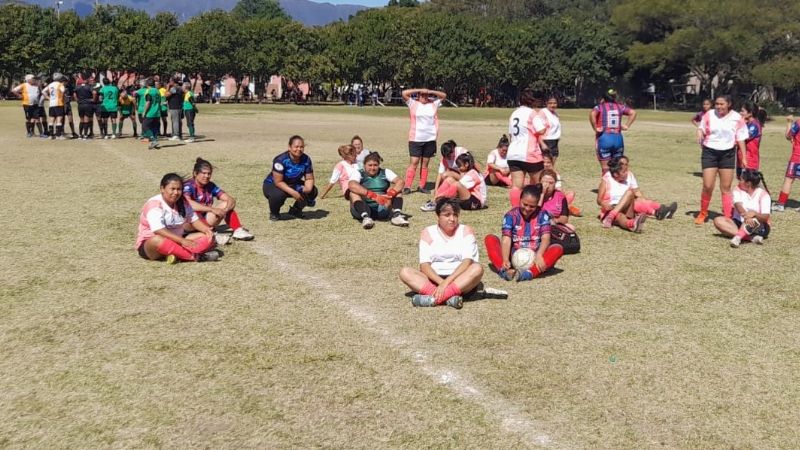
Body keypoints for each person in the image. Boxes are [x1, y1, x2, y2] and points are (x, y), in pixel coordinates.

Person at [399, 198, 483, 309]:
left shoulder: (466, 231)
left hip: (460, 280)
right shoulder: (427, 232)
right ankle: (449, 298)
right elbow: (424, 266)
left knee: (477, 268)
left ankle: (434, 299)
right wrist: (440, 282)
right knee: (405, 272)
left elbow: (467, 262)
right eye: (447, 215)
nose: (452, 219)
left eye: (455, 215)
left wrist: (446, 283)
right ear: (437, 216)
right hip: (434, 279)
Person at [484, 184, 564, 281]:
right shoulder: (510, 216)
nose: (527, 209)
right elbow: (506, 239)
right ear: (520, 199)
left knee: (558, 248)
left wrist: (539, 255)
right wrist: (505, 259)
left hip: (536, 255)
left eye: (532, 206)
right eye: (525, 204)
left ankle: (530, 273)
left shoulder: (543, 214)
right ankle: (504, 270)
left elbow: (546, 238)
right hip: (514, 253)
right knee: (490, 239)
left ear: (537, 203)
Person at [136, 173, 219, 263]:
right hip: (152, 245)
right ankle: (196, 257)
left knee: (207, 236)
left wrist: (207, 230)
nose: (176, 193)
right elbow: (158, 230)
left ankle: (177, 254)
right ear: (162, 189)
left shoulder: (183, 202)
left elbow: (194, 220)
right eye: (172, 189)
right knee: (157, 240)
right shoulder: (154, 204)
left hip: (178, 241)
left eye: (179, 189)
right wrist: (182, 241)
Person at [694, 95, 748, 224]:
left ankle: (728, 216)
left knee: (726, 187)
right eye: (717, 104)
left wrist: (744, 157)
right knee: (707, 185)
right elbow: (701, 127)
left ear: (729, 104)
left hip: (728, 153)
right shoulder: (709, 114)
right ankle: (703, 213)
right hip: (709, 152)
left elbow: (740, 138)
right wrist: (700, 132)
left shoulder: (736, 118)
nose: (718, 107)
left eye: (721, 104)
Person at [183, 157, 254, 242]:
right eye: (204, 173)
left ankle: (237, 230)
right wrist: (212, 209)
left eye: (209, 173)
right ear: (195, 173)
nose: (207, 176)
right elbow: (188, 204)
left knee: (226, 204)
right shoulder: (188, 186)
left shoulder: (210, 185)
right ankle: (211, 235)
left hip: (205, 219)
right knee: (193, 213)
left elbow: (230, 199)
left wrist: (225, 210)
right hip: (187, 223)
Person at [401, 87, 447, 195]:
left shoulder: (433, 104)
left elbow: (443, 95)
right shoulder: (413, 103)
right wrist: (419, 89)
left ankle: (422, 186)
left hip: (430, 138)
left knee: (425, 163)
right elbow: (404, 93)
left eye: (426, 95)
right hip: (416, 138)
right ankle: (408, 186)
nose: (424, 97)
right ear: (418, 95)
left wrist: (430, 91)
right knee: (414, 162)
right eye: (422, 95)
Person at [346, 152, 409, 228]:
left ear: (379, 165)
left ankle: (397, 216)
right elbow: (352, 185)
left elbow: (401, 182)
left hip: (382, 208)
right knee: (353, 193)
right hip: (363, 209)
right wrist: (374, 196)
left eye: (375, 165)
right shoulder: (358, 173)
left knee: (397, 192)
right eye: (370, 165)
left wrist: (390, 194)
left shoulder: (385, 172)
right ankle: (366, 218)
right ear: (364, 165)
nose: (372, 168)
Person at [262, 135, 317, 221]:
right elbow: (278, 182)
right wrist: (294, 193)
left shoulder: (306, 159)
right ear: (289, 147)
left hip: (292, 183)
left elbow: (309, 178)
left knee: (313, 190)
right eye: (296, 147)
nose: (299, 149)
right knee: (279, 195)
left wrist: (308, 190)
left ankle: (295, 211)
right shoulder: (280, 160)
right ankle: (274, 213)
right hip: (273, 184)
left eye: (301, 147)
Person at [713, 170, 771, 247]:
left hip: (758, 225)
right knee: (718, 220)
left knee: (753, 219)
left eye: (741, 179)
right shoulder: (737, 189)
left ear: (748, 183)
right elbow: (738, 205)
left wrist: (754, 214)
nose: (739, 181)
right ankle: (750, 238)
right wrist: (746, 216)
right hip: (739, 221)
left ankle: (738, 238)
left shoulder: (763, 195)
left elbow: (765, 217)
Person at [507, 88, 544, 207]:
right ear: (532, 100)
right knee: (537, 184)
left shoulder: (514, 113)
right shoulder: (532, 113)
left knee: (516, 186)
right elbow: (541, 129)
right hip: (529, 153)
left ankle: (515, 210)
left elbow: (510, 134)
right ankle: (535, 209)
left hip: (513, 152)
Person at [590, 89, 637, 174]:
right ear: (614, 98)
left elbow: (592, 114)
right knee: (618, 166)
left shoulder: (600, 107)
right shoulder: (620, 106)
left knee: (605, 168)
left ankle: (607, 186)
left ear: (603, 98)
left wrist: (595, 127)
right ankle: (619, 185)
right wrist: (626, 126)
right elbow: (633, 112)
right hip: (618, 139)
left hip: (604, 138)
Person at [596, 157, 647, 232]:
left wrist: (642, 200)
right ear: (616, 174)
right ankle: (633, 224)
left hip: (625, 208)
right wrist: (603, 203)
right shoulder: (606, 180)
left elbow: (637, 192)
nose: (627, 173)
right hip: (611, 208)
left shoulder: (629, 176)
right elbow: (599, 200)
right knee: (620, 216)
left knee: (630, 192)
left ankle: (612, 216)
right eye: (624, 172)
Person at [420, 140, 474, 211]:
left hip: (468, 179)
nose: (447, 158)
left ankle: (438, 201)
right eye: (445, 157)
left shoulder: (461, 152)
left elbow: (472, 165)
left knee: (448, 174)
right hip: (460, 180)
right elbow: (440, 174)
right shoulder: (445, 159)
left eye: (449, 156)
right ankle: (437, 200)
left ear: (453, 151)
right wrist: (436, 190)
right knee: (447, 178)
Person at [772, 115, 800, 211]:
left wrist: (789, 122)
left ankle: (781, 204)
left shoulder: (798, 123)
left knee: (789, 179)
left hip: (797, 157)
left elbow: (788, 136)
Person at [542, 150, 581, 216]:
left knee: (570, 194)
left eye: (548, 162)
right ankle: (568, 209)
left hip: (552, 197)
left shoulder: (555, 174)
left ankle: (565, 208)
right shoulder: (536, 173)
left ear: (552, 163)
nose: (545, 164)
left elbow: (558, 189)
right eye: (543, 162)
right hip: (541, 197)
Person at [738, 102, 766, 178]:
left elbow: (744, 137)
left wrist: (741, 123)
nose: (740, 113)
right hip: (742, 156)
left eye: (742, 111)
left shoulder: (754, 125)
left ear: (750, 113)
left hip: (750, 158)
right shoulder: (747, 123)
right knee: (741, 180)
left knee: (750, 182)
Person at [536, 95, 562, 161]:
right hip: (546, 141)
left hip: (554, 142)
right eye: (550, 103)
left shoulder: (555, 114)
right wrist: (542, 143)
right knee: (545, 167)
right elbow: (538, 129)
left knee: (551, 166)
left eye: (554, 103)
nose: (553, 105)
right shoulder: (543, 112)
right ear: (546, 103)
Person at [42, 73, 67, 140]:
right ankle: (58, 135)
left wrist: (48, 98)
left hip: (51, 104)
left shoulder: (50, 85)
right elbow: (63, 91)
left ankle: (51, 135)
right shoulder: (60, 84)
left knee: (51, 119)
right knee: (59, 119)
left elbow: (43, 91)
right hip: (59, 103)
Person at [141, 78, 162, 150]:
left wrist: (144, 112)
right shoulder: (157, 91)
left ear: (147, 84)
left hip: (150, 112)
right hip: (157, 112)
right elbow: (159, 101)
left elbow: (148, 102)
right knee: (154, 127)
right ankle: (154, 142)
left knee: (144, 126)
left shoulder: (149, 92)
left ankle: (153, 140)